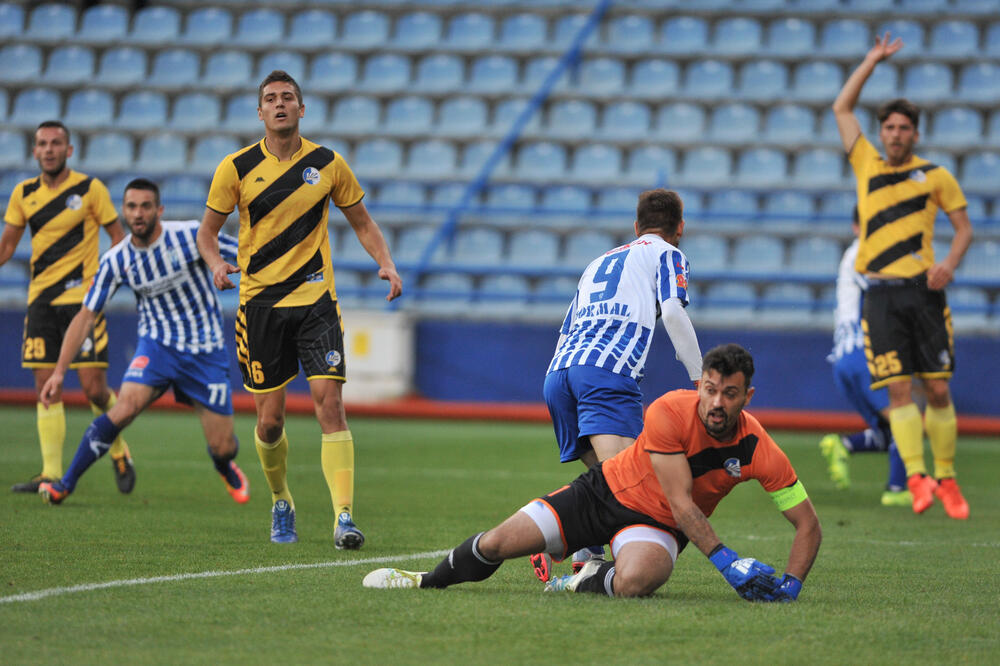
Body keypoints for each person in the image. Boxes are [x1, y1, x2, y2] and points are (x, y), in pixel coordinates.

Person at [363, 344, 822, 602]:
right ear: (698, 385)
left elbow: (807, 525)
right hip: (602, 494)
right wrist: (728, 562)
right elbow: (682, 501)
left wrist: (792, 586)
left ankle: (583, 577)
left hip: (657, 525)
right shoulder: (668, 411)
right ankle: (425, 580)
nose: (717, 402)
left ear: (748, 396)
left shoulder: (759, 446)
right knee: (499, 543)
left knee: (637, 582)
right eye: (710, 389)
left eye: (730, 393)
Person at [196, 70, 402, 547]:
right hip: (260, 306)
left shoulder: (328, 163)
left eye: (288, 97)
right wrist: (215, 264)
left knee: (330, 405)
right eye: (271, 98)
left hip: (316, 303)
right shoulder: (236, 167)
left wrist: (387, 264)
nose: (280, 104)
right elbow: (208, 234)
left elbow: (363, 222)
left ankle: (344, 517)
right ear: (261, 111)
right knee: (270, 422)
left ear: (302, 109)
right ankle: (281, 500)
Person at [36, 178, 249, 506]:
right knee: (124, 408)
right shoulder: (116, 260)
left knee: (224, 445)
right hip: (157, 347)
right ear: (123, 210)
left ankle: (224, 465)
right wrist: (60, 372)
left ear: (159, 210)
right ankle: (65, 483)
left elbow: (247, 254)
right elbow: (85, 316)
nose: (138, 213)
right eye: (132, 206)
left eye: (145, 206)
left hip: (204, 351)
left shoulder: (191, 235)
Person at [832, 33, 973, 519]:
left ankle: (948, 478)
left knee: (936, 388)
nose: (894, 134)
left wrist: (949, 263)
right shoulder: (865, 162)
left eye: (902, 128)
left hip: (924, 293)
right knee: (897, 391)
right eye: (888, 127)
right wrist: (871, 59)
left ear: (915, 134)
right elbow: (842, 107)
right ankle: (916, 477)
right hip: (880, 298)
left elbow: (963, 229)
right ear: (883, 132)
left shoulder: (935, 175)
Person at [532, 188, 702, 581]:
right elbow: (674, 310)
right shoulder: (668, 254)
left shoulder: (598, 261)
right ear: (679, 229)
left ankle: (586, 548)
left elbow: (568, 323)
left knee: (607, 479)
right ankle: (553, 540)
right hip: (605, 372)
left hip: (559, 373)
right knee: (634, 482)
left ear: (635, 225)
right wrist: (699, 376)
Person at [0, 120, 134, 495]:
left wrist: (111, 277)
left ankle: (119, 450)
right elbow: (8, 245)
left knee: (94, 389)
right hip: (41, 300)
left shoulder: (90, 189)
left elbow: (117, 236)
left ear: (68, 150)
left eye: (56, 143)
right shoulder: (23, 193)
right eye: (42, 143)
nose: (48, 149)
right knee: (45, 385)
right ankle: (49, 474)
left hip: (84, 302)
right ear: (34, 151)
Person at [820, 207, 909, 506]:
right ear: (857, 227)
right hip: (863, 351)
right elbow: (885, 287)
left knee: (887, 430)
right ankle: (899, 489)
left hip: (845, 355)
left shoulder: (856, 252)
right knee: (904, 417)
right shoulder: (863, 252)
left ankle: (844, 445)